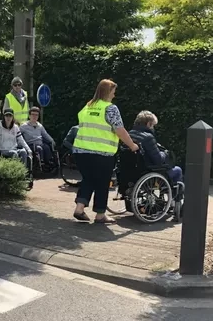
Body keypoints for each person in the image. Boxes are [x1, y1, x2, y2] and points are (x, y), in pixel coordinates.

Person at [72, 79, 139, 224]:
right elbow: (120, 130)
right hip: (101, 153)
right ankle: (100, 215)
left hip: (80, 151)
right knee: (102, 182)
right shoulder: (110, 108)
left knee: (88, 179)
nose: (114, 95)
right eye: (113, 92)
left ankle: (79, 208)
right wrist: (132, 145)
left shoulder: (87, 106)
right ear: (108, 92)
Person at [129, 110, 183, 186]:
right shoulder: (148, 138)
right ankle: (176, 197)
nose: (153, 128)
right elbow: (158, 160)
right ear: (148, 124)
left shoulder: (129, 135)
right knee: (178, 170)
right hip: (148, 172)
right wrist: (164, 154)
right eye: (153, 125)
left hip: (131, 172)